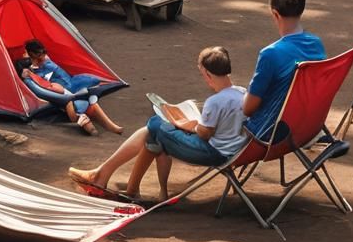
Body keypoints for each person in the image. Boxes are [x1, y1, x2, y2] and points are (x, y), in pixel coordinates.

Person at [69, 46, 247, 203]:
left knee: (155, 124)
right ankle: (129, 186)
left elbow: (205, 133)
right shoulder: (242, 93)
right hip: (232, 148)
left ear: (207, 74)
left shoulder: (215, 102)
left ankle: (107, 179)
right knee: (154, 136)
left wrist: (190, 126)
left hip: (213, 152)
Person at [243, 0, 326, 141]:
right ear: (302, 10)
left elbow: (248, 109)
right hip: (306, 123)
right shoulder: (316, 44)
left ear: (275, 14)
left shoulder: (270, 54)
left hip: (271, 131)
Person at [21, 40, 123, 136]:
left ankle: (109, 126)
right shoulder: (32, 69)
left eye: (44, 52)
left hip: (71, 84)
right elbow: (39, 85)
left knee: (88, 96)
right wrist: (31, 67)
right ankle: (98, 125)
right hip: (63, 91)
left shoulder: (45, 60)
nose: (43, 55)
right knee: (82, 104)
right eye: (39, 54)